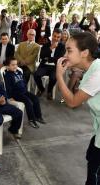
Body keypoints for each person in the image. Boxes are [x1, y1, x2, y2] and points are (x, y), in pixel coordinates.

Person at [56, 32, 100, 185]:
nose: (65, 55)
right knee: (92, 159)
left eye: (69, 50)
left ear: (85, 53)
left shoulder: (98, 72)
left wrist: (59, 76)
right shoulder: (94, 69)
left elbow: (73, 102)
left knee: (95, 172)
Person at [4, 57, 45, 128]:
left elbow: (23, 82)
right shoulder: (8, 75)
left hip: (24, 91)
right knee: (28, 102)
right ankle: (31, 120)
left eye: (16, 64)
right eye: (12, 65)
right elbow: (8, 87)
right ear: (7, 66)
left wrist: (26, 89)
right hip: (16, 94)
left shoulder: (19, 72)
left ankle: (38, 116)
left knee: (35, 98)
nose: (15, 66)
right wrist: (10, 97)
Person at [34, 28, 66, 100]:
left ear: (60, 38)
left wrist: (48, 58)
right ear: (52, 35)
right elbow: (42, 56)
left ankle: (49, 91)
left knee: (54, 77)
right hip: (44, 65)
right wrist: (51, 48)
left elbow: (59, 59)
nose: (56, 38)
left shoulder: (62, 46)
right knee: (36, 75)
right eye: (54, 36)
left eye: (58, 37)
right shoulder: (46, 44)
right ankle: (42, 89)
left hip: (55, 67)